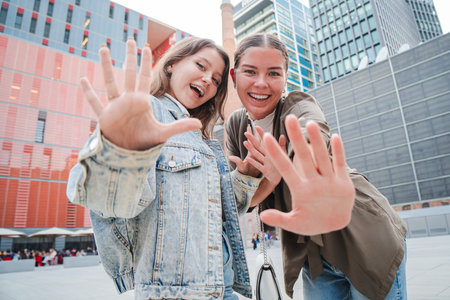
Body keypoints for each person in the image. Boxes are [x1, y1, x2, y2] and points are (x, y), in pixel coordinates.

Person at [66, 37, 260, 299]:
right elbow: (103, 199)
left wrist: (246, 176)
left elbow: (215, 215)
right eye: (201, 66)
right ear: (172, 64)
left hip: (222, 285)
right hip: (177, 293)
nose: (207, 80)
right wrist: (122, 151)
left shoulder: (201, 136)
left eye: (216, 79)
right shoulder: (146, 113)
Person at [225, 33, 407, 300]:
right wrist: (269, 180)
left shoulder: (299, 105)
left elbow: (311, 135)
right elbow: (242, 202)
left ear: (286, 77)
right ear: (234, 76)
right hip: (316, 259)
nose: (261, 83)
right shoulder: (236, 125)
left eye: (274, 73)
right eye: (250, 72)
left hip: (366, 237)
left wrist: (301, 160)